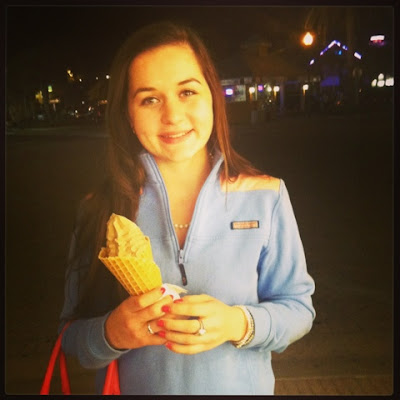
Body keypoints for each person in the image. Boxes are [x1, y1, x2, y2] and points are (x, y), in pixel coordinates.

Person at [59, 21, 316, 395]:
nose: (173, 116)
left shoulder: (266, 195)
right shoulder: (100, 210)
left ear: (213, 96)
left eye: (187, 92)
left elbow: (299, 309)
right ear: (127, 113)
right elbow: (71, 335)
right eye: (149, 99)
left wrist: (237, 323)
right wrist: (111, 333)